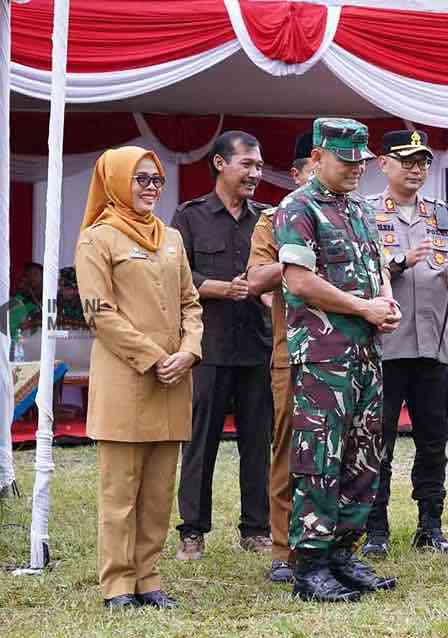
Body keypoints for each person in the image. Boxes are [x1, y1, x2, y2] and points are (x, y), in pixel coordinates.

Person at [275, 117, 400, 602]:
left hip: (366, 353)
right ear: (317, 157)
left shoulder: (361, 209)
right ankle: (310, 565)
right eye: (346, 161)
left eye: (361, 162)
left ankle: (344, 553)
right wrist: (363, 308)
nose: (356, 169)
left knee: (363, 454)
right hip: (323, 358)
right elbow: (299, 281)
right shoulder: (298, 208)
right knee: (319, 458)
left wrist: (385, 301)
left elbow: (377, 266)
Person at [75, 146, 203, 610]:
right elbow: (98, 313)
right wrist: (154, 357)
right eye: (141, 179)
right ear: (115, 182)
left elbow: (191, 302)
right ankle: (117, 585)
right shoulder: (97, 239)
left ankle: (148, 578)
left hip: (173, 382)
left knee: (158, 493)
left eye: (156, 180)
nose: (151, 187)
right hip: (126, 382)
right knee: (120, 494)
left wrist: (189, 351)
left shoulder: (171, 238)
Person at [359, 129, 448, 558]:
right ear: (383, 164)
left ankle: (431, 526)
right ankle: (375, 529)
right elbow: (355, 274)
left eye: (423, 162)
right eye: (406, 161)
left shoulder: (443, 214)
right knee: (378, 441)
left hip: (434, 346)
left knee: (433, 442)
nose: (416, 169)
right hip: (385, 347)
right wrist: (398, 262)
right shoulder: (364, 213)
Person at [171, 131, 273, 561]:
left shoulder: (267, 218)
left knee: (258, 443)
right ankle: (192, 532)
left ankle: (257, 529)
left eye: (259, 166)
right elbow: (175, 275)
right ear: (219, 164)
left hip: (257, 347)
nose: (255, 173)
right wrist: (217, 288)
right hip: (207, 348)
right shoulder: (190, 216)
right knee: (200, 442)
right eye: (247, 164)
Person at [245, 132, 316, 584]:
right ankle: (283, 548)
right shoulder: (275, 221)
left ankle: (330, 544)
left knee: (340, 453)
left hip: (346, 353)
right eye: (315, 169)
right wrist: (297, 260)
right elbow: (255, 280)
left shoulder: (355, 217)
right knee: (289, 450)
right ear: (297, 173)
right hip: (294, 350)